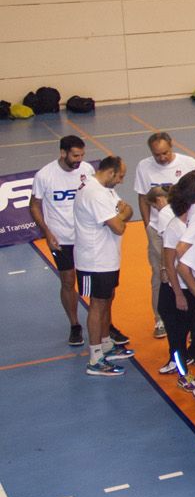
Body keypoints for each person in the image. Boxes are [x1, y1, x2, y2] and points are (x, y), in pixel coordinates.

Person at [134, 131, 195, 335]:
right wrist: (148, 225)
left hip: (187, 227)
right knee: (161, 273)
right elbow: (142, 198)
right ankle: (160, 319)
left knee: (192, 268)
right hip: (159, 230)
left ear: (172, 146)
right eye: (157, 154)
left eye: (165, 153)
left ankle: (194, 313)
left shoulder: (188, 163)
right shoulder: (144, 166)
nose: (162, 158)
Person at [29, 135, 95, 347]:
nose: (79, 159)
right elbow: (34, 206)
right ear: (63, 153)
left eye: (82, 155)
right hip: (61, 239)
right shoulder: (45, 175)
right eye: (75, 155)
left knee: (94, 282)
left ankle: (102, 323)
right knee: (68, 281)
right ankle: (75, 325)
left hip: (86, 235)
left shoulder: (87, 170)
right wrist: (47, 232)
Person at [74, 156, 135, 376]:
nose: (121, 181)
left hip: (107, 257)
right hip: (94, 260)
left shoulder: (104, 188)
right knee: (97, 305)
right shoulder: (95, 193)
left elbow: (128, 210)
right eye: (120, 176)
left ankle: (107, 344)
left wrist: (122, 215)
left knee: (107, 299)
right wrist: (122, 215)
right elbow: (119, 226)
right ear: (110, 173)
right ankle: (95, 357)